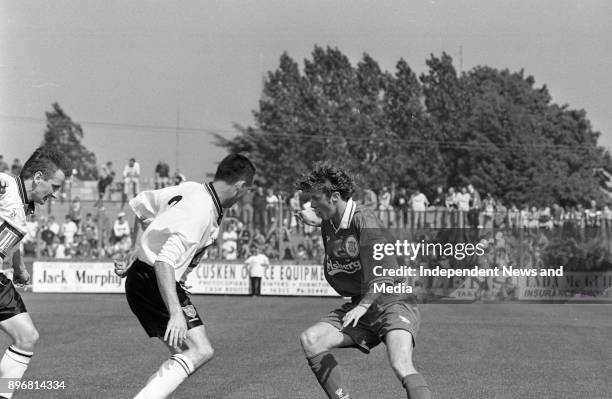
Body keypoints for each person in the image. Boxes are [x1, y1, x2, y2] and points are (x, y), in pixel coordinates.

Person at [113, 153, 255, 399]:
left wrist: (137, 248)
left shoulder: (192, 189)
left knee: (183, 354)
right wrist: (176, 312)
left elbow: (141, 206)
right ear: (240, 187)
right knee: (200, 350)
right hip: (154, 281)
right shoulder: (199, 213)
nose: (244, 197)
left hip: (146, 279)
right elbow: (164, 262)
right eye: (246, 191)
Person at [295, 163, 430, 399]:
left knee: (401, 365)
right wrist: (313, 216)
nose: (312, 204)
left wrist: (364, 305)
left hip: (392, 302)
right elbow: (327, 219)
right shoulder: (331, 217)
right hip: (361, 304)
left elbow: (385, 273)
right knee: (311, 339)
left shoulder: (364, 220)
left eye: (315, 198)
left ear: (335, 196)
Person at [0, 147, 70, 399]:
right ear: (38, 178)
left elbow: (8, 240)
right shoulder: (6, 185)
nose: (56, 194)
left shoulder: (23, 204)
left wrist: (19, 267)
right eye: (55, 186)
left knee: (27, 337)